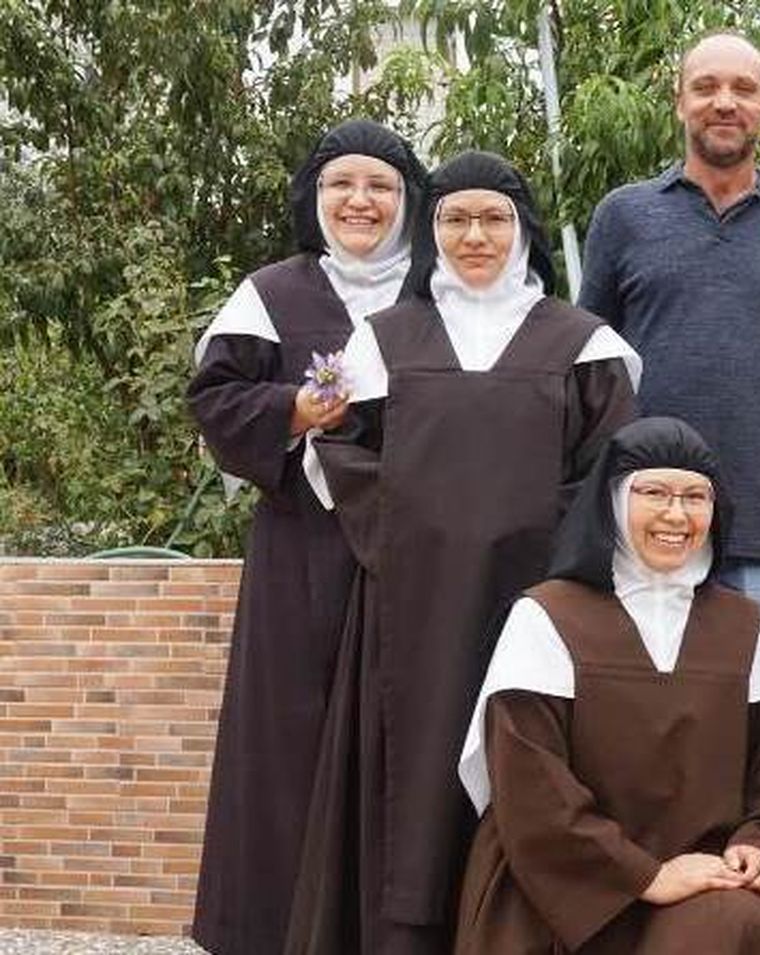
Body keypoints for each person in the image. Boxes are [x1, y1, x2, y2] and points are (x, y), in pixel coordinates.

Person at [285, 150, 640, 954]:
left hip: (541, 602)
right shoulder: (380, 340)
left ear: (523, 232)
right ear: (431, 232)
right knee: (413, 780)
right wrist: (414, 530)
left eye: (493, 218)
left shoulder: (583, 342)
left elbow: (609, 468)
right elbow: (333, 447)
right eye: (454, 218)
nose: (474, 235)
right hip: (410, 602)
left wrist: (541, 542)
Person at [186, 118, 427, 955]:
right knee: (284, 743)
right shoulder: (272, 293)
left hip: (409, 558)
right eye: (341, 185)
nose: (360, 201)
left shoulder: (436, 294)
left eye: (380, 187)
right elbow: (215, 398)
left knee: (397, 743)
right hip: (301, 552)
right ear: (314, 198)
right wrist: (291, 409)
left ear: (408, 201)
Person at [453, 416, 760, 954]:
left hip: (702, 884)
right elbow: (529, 786)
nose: (676, 514)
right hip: (561, 883)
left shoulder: (744, 627)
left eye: (695, 497)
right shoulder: (546, 616)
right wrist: (645, 876)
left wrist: (755, 845)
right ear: (611, 502)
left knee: (734, 925)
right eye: (654, 492)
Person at [578, 30, 760, 641]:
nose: (724, 102)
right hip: (643, 525)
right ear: (679, 101)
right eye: (705, 87)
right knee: (646, 723)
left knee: (758, 726)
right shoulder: (622, 217)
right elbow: (590, 373)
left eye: (743, 88)